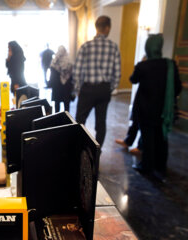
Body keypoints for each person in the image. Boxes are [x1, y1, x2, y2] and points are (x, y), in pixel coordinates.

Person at [130, 34, 182, 181]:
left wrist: (141, 62)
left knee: (148, 138)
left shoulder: (143, 65)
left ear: (148, 47)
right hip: (164, 110)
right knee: (161, 138)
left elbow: (133, 80)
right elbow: (177, 87)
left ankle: (146, 166)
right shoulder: (170, 64)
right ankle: (160, 166)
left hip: (146, 109)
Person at [73, 15, 121, 146]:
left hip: (87, 89)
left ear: (96, 28)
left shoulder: (85, 47)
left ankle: (79, 149)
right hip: (104, 89)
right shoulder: (113, 47)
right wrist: (109, 88)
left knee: (79, 120)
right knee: (101, 123)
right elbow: (117, 73)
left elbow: (77, 71)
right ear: (107, 28)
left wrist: (78, 89)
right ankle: (96, 152)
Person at [48, 45, 74, 112]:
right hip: (67, 85)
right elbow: (72, 74)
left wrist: (50, 83)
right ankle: (67, 120)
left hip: (57, 86)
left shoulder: (54, 61)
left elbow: (52, 74)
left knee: (57, 104)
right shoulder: (69, 61)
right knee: (67, 105)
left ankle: (57, 120)